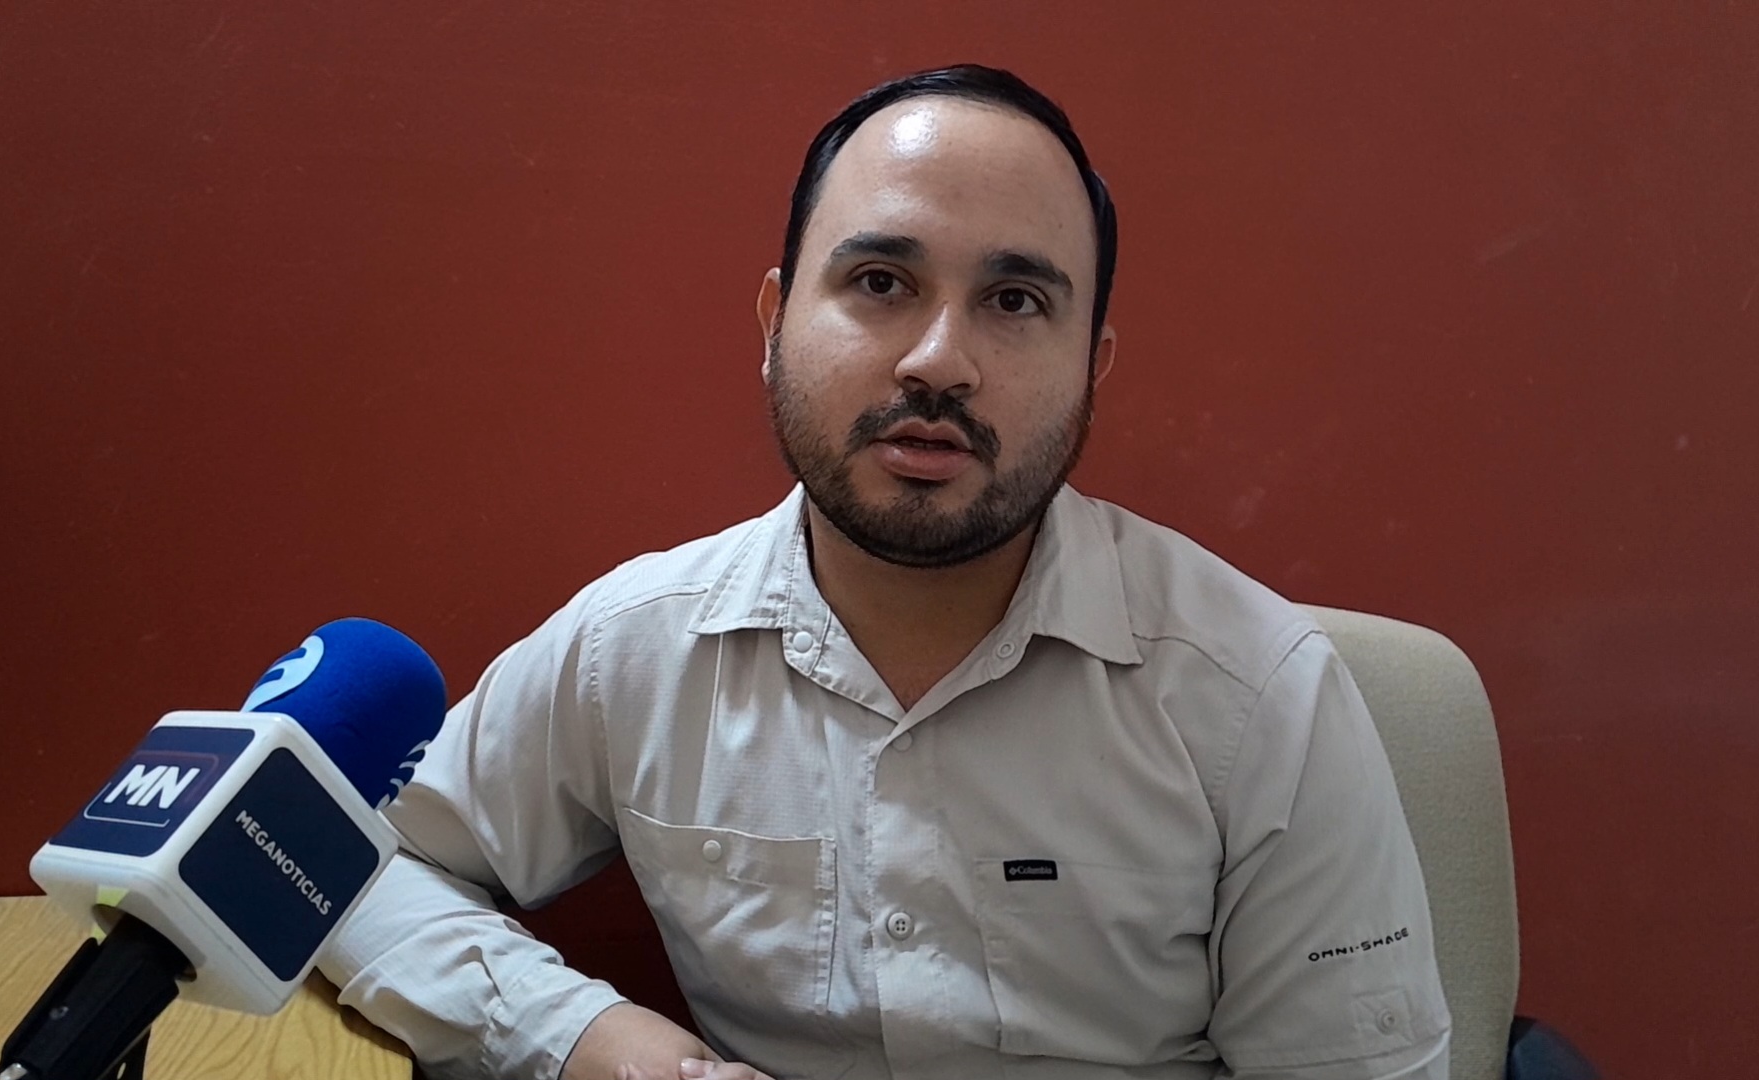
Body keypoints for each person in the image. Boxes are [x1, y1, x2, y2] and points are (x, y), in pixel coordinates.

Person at [319, 65, 1452, 1080]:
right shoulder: (636, 649)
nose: (937, 361)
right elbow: (356, 866)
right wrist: (584, 1038)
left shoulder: (1259, 698)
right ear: (774, 322)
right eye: (878, 282)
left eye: (1015, 302)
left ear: (1091, 366)